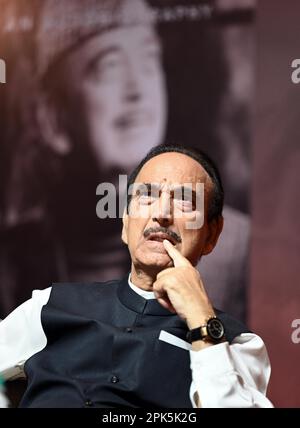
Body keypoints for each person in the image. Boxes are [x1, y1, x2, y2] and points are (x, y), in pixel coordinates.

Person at [0, 0, 249, 323]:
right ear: (53, 120)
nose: (138, 90)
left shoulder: (233, 251)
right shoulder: (13, 264)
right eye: (110, 67)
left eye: (148, 62)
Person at [0, 145, 272, 408]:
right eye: (147, 196)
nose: (162, 214)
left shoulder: (237, 343)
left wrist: (202, 321)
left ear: (212, 235)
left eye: (185, 201)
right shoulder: (50, 305)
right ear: (126, 222)